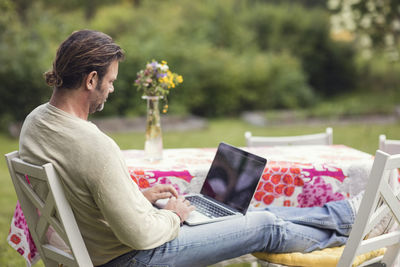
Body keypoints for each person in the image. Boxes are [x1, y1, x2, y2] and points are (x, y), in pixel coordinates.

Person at [19, 29, 370, 267]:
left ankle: (346, 216)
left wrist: (140, 195)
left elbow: (81, 194)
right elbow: (140, 234)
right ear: (91, 80)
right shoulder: (94, 144)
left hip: (101, 247)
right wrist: (174, 214)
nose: (110, 90)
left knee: (250, 214)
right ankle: (357, 224)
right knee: (264, 225)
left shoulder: (35, 123)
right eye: (109, 82)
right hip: (132, 257)